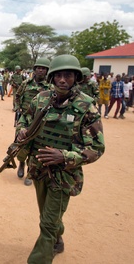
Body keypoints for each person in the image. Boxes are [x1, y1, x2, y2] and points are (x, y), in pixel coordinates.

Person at [16, 54, 105, 263]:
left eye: (68, 76)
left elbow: (97, 147)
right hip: (38, 168)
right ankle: (58, 237)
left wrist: (64, 156)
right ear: (52, 77)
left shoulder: (86, 107)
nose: (63, 80)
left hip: (63, 174)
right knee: (47, 214)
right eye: (59, 76)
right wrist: (22, 130)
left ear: (76, 78)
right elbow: (25, 117)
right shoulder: (41, 99)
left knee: (47, 224)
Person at [14, 58, 51, 186]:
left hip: (40, 122)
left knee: (36, 147)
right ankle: (21, 165)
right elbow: (18, 95)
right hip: (25, 119)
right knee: (21, 144)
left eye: (43, 68)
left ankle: (30, 172)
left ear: (47, 71)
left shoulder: (49, 87)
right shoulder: (26, 83)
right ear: (34, 70)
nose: (40, 70)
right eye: (38, 68)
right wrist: (18, 107)